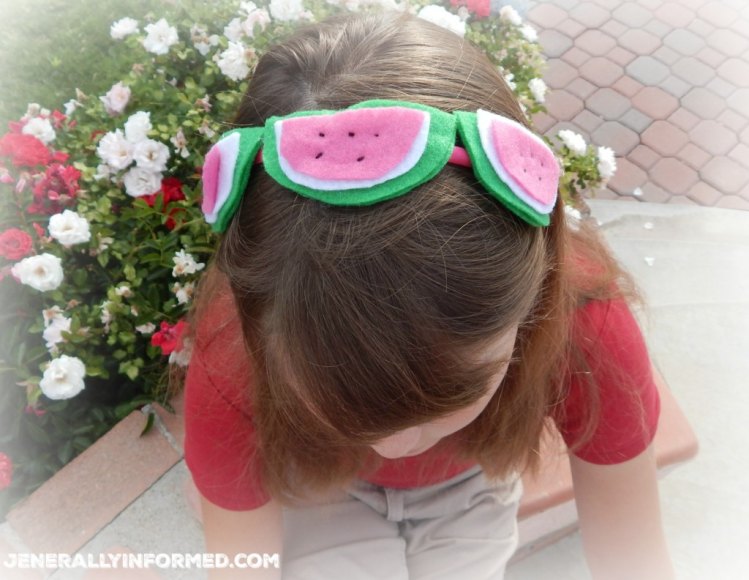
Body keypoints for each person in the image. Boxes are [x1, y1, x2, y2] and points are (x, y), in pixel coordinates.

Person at [180, 11, 674, 580]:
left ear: (534, 297)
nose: (398, 446)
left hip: (469, 484)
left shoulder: (587, 324)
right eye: (338, 393)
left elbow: (634, 561)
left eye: (456, 389)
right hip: (316, 483)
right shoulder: (234, 352)